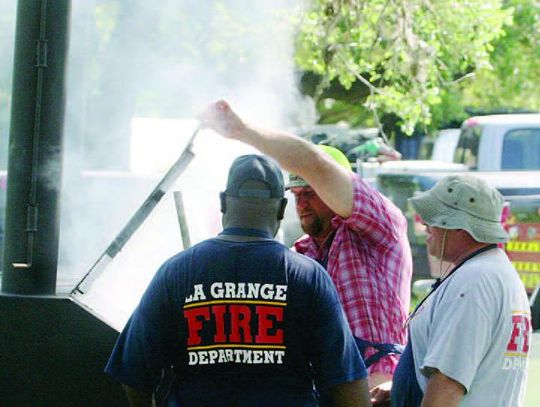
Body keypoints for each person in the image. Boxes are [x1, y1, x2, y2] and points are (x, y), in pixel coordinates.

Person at [105, 154, 372, 407]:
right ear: (281, 208)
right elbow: (346, 382)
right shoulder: (308, 277)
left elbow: (134, 373)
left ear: (223, 202)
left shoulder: (176, 272)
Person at [200, 100, 413, 386]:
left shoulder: (381, 226)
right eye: (297, 194)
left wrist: (242, 130)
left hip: (379, 384)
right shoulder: (300, 254)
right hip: (324, 388)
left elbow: (314, 165)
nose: (302, 203)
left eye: (311, 192)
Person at [371, 174, 532, 406]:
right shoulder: (496, 271)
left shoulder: (473, 282)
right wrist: (401, 388)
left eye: (433, 217)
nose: (425, 224)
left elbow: (447, 387)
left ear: (459, 226)